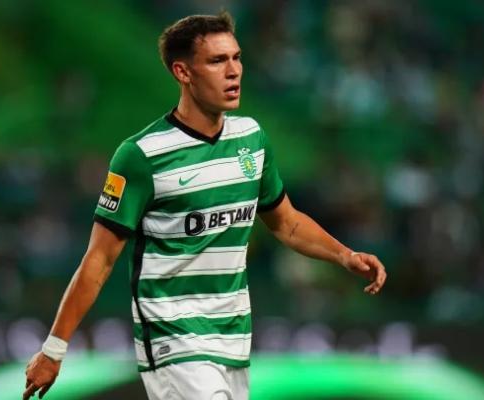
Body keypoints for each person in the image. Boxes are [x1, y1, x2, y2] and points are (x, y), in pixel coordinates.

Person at [23, 11, 387, 400]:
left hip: (233, 339)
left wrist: (344, 255)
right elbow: (99, 259)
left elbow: (287, 223)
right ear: (183, 72)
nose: (233, 71)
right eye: (217, 61)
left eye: (236, 57)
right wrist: (54, 348)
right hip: (173, 339)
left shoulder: (251, 139)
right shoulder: (142, 155)